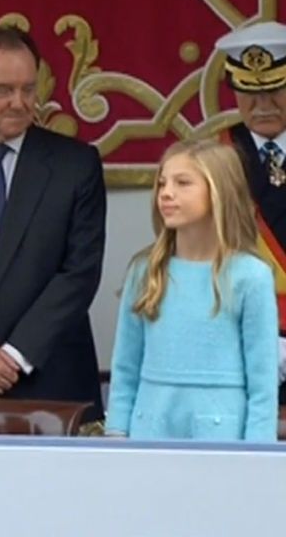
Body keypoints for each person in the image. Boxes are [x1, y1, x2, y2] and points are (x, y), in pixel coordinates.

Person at [0, 26, 107, 424]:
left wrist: (14, 355)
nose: (19, 102)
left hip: (51, 380)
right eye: (4, 90)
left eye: (29, 89)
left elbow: (79, 273)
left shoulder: (75, 166)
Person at [105, 139, 279, 441]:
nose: (166, 193)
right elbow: (125, 369)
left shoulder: (250, 276)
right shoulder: (145, 271)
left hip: (223, 438)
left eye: (183, 183)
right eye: (162, 184)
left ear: (218, 192)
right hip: (150, 433)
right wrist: (117, 433)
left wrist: (256, 455)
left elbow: (262, 383)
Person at [214, 21, 286, 403]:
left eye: (275, 90)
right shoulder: (216, 158)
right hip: (243, 340)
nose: (262, 106)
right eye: (249, 93)